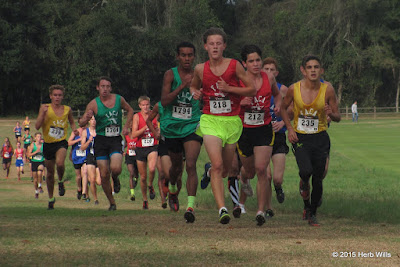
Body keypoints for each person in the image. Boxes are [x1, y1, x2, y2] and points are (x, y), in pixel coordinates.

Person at [190, 27, 256, 224]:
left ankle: (210, 171)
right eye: (211, 44)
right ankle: (222, 209)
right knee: (219, 165)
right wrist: (195, 92)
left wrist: (229, 89)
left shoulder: (234, 66)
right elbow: (193, 84)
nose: (215, 47)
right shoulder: (200, 69)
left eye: (219, 43)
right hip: (210, 120)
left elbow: (251, 89)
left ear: (224, 46)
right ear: (205, 46)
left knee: (227, 170)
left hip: (232, 121)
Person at [280, 55, 341, 226]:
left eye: (316, 67)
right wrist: (289, 129)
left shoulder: (327, 90)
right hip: (300, 137)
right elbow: (283, 109)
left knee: (319, 177)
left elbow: (338, 116)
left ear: (321, 70)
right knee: (306, 171)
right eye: (309, 67)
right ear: (303, 70)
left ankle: (312, 213)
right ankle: (305, 193)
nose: (313, 70)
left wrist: (331, 113)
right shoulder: (294, 89)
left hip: (320, 137)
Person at [154, 41, 202, 222]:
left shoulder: (200, 74)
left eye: (190, 55)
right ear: (177, 57)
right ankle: (172, 188)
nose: (187, 58)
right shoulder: (170, 75)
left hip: (192, 125)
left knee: (190, 164)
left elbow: (205, 96)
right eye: (184, 55)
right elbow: (164, 101)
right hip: (172, 127)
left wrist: (202, 95)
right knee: (175, 169)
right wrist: (182, 86)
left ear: (194, 57)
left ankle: (190, 206)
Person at [234, 45, 282, 226]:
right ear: (244, 63)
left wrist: (277, 105)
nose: (255, 64)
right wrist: (241, 104)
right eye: (251, 61)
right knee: (250, 171)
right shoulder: (238, 80)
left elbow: (277, 96)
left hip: (263, 128)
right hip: (244, 130)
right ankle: (244, 178)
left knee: (262, 169)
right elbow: (229, 105)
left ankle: (261, 211)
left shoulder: (268, 77)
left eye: (258, 60)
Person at [79, 76, 134, 211]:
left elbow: (130, 110)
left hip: (115, 138)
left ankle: (115, 178)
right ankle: (112, 202)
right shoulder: (93, 104)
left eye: (108, 86)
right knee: (103, 174)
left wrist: (126, 126)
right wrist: (86, 117)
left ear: (110, 88)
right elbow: (81, 123)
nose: (105, 89)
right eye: (102, 86)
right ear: (98, 88)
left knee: (116, 168)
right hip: (101, 141)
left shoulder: (118, 99)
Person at [35, 84, 78, 210]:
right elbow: (37, 126)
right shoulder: (44, 108)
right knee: (49, 174)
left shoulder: (67, 109)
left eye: (59, 95)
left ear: (62, 97)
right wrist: (42, 114)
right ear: (50, 96)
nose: (57, 97)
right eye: (55, 95)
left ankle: (60, 181)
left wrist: (74, 130)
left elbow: (71, 121)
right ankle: (51, 198)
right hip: (48, 144)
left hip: (61, 142)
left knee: (60, 163)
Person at [263, 57, 289, 219]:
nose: (269, 72)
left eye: (272, 70)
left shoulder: (283, 89)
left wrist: (282, 124)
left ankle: (278, 188)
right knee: (266, 176)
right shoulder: (256, 87)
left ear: (277, 73)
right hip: (262, 137)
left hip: (278, 137)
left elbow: (291, 111)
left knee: (277, 179)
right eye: (266, 69)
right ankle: (268, 208)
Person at [131, 96, 159, 210]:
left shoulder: (154, 115)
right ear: (139, 106)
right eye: (143, 105)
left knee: (152, 168)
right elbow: (133, 134)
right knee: (142, 177)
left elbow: (158, 129)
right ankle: (145, 200)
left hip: (152, 145)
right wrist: (146, 127)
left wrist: (157, 131)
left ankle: (150, 185)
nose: (145, 107)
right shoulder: (136, 117)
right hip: (140, 147)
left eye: (147, 105)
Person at [80, 116, 101, 205]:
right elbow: (82, 147)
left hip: (99, 156)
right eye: (92, 119)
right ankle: (96, 199)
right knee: (92, 180)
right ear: (89, 121)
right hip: (90, 157)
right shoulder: (85, 132)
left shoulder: (100, 131)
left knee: (99, 182)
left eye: (95, 119)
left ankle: (88, 184)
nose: (94, 121)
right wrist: (89, 141)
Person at [68, 124, 88, 201]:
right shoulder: (75, 133)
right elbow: (69, 143)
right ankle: (79, 189)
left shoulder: (87, 132)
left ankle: (84, 193)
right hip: (76, 157)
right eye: (82, 125)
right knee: (79, 176)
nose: (84, 126)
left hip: (85, 157)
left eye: (85, 124)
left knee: (85, 172)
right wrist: (78, 140)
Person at [27, 132, 45, 199]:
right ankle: (36, 192)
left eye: (40, 137)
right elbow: (29, 155)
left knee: (40, 172)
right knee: (35, 180)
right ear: (35, 138)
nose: (39, 138)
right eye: (38, 137)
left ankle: (40, 186)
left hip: (41, 161)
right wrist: (36, 152)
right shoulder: (32, 145)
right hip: (34, 162)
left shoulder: (43, 145)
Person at [124, 133, 139, 202]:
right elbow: (125, 143)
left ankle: (135, 179)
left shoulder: (138, 134)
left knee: (136, 174)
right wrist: (121, 150)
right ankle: (132, 194)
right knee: (131, 173)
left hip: (137, 156)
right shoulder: (126, 135)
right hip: (129, 156)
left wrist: (136, 148)